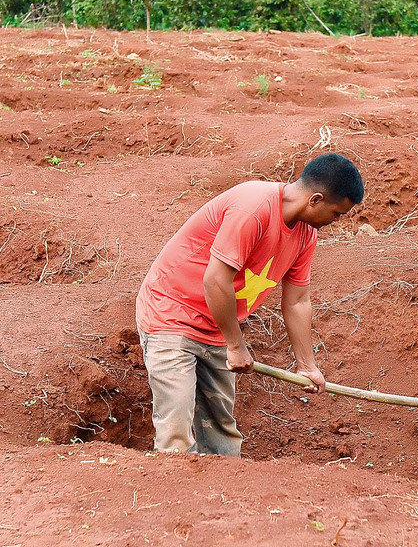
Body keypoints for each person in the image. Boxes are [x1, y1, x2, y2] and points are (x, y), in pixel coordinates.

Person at [135, 153, 364, 456]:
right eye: (336, 214)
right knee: (176, 429)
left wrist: (307, 366)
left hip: (216, 325)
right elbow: (215, 280)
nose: (334, 222)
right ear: (316, 199)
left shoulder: (306, 233)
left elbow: (297, 300)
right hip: (171, 315)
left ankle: (223, 500)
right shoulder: (253, 207)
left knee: (221, 431)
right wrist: (235, 344)